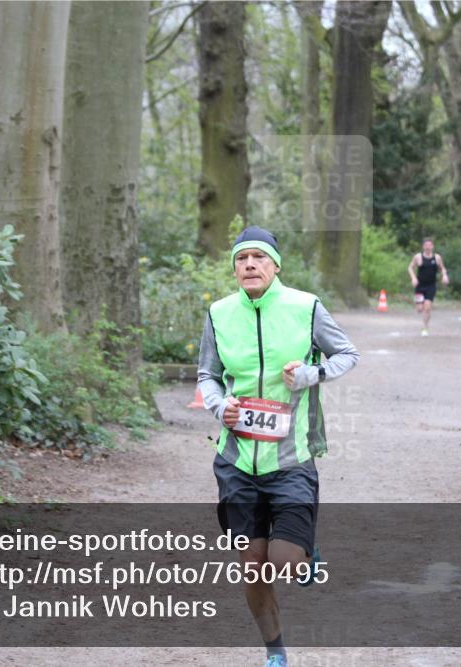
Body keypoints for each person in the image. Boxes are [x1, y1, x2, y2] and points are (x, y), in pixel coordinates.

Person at [197, 226, 360, 667]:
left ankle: (304, 550)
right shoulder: (219, 313)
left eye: (259, 257)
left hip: (291, 458)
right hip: (236, 460)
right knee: (253, 564)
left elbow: (347, 354)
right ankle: (275, 652)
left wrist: (310, 374)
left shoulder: (306, 307)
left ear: (275, 265)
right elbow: (207, 375)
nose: (250, 264)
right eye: (241, 258)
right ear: (234, 267)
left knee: (283, 560)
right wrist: (220, 406)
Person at [407, 237, 449, 336]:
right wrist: (413, 278)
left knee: (427, 308)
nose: (428, 247)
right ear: (423, 246)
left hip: (431, 286)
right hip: (420, 286)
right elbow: (410, 267)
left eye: (430, 245)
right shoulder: (418, 257)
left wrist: (444, 275)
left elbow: (442, 268)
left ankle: (425, 328)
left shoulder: (437, 258)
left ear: (433, 246)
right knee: (419, 309)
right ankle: (420, 308)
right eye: (426, 245)